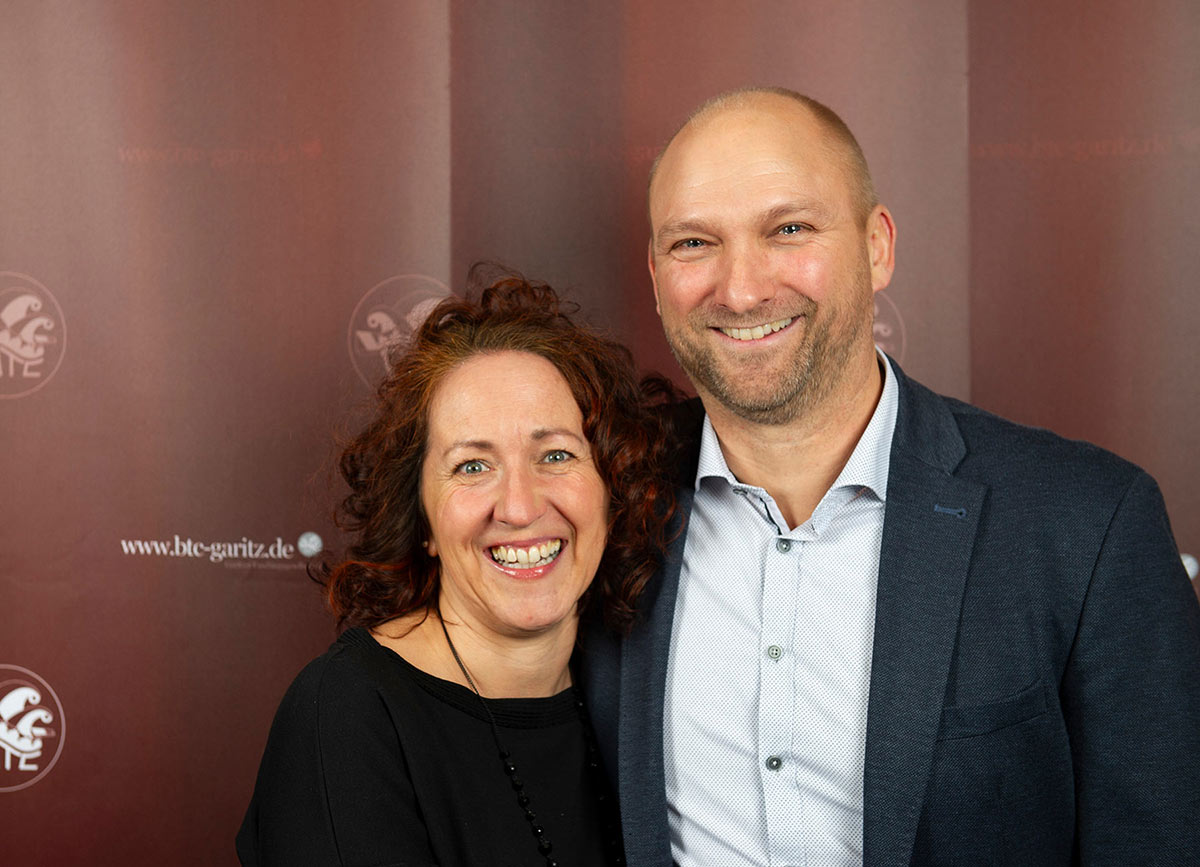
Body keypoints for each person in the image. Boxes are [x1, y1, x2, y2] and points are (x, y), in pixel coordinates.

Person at [580, 87, 1200, 866]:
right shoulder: (596, 500)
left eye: (789, 229)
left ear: (878, 246)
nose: (740, 289)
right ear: (654, 271)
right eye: (694, 243)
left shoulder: (1088, 525)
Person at [238, 274, 675, 866]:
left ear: (612, 491)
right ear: (421, 518)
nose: (519, 507)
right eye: (472, 466)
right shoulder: (346, 715)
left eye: (555, 455)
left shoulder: (634, 696)